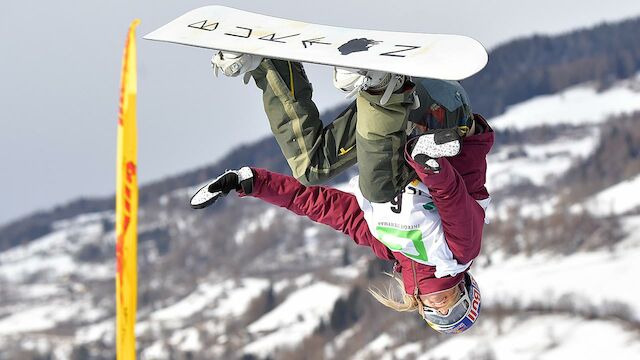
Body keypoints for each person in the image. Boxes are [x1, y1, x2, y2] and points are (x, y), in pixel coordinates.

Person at [204, 53, 494, 334]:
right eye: (454, 310)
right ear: (464, 290)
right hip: (444, 116)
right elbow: (451, 196)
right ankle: (381, 85)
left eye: (436, 317)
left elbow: (322, 207)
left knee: (311, 167)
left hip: (402, 116)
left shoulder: (391, 246)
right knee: (378, 189)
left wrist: (253, 183)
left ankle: (267, 64)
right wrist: (430, 167)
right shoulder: (457, 253)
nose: (440, 310)